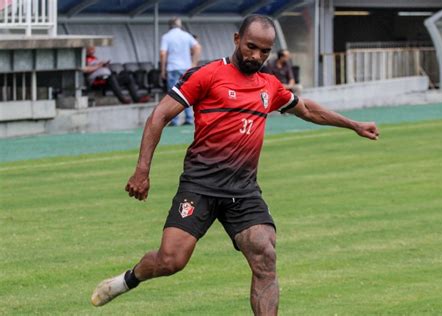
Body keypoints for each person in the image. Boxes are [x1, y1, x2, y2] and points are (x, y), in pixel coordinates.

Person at [91, 15, 379, 315]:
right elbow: (159, 116)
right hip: (200, 186)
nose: (256, 56)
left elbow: (306, 110)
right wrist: (142, 169)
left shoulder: (270, 85)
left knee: (265, 255)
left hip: (243, 191)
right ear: (236, 39)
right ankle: (126, 280)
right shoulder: (207, 74)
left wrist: (354, 124)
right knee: (170, 261)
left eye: (265, 51)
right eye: (251, 47)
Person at [160, 17, 201, 126]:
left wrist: (163, 69)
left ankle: (174, 120)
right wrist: (194, 64)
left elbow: (163, 53)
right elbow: (197, 47)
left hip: (172, 67)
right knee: (186, 93)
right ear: (179, 25)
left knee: (173, 95)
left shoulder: (166, 37)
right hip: (186, 68)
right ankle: (188, 118)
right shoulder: (186, 35)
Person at [83, 46, 150, 104]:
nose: (93, 51)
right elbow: (85, 70)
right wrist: (99, 65)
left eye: (93, 49)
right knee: (111, 77)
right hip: (97, 81)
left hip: (107, 78)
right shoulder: (83, 58)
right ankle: (123, 99)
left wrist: (104, 65)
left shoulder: (94, 58)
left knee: (127, 77)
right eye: (91, 49)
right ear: (86, 50)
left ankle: (136, 98)